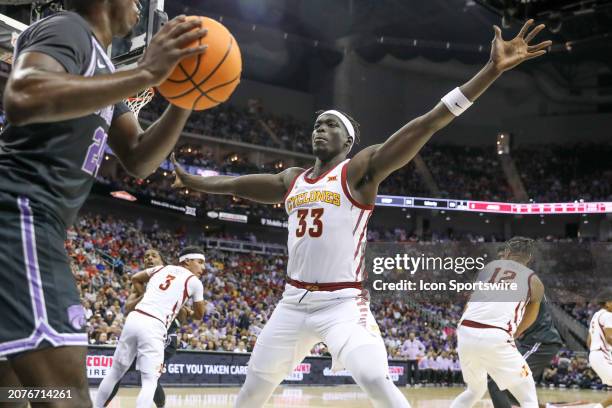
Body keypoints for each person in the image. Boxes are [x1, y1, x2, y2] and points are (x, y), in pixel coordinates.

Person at [171, 20, 551, 408]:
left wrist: (490, 71)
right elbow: (236, 184)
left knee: (373, 377)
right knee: (252, 390)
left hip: (341, 304)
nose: (320, 129)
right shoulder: (291, 179)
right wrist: (194, 182)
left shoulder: (359, 170)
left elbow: (430, 121)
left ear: (348, 140)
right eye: (318, 125)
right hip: (291, 302)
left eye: (330, 125)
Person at [0, 0, 208, 405]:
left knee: (10, 389)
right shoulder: (67, 29)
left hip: (28, 223)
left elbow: (138, 157)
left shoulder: (107, 69)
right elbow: (24, 94)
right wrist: (146, 72)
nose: (139, 7)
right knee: (65, 396)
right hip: (20, 217)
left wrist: (187, 98)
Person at [94, 246, 206, 408]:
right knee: (149, 381)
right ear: (187, 261)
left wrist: (148, 295)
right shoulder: (194, 282)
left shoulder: (161, 269)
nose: (203, 267)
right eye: (200, 262)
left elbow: (135, 278)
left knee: (115, 372)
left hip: (135, 318)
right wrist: (189, 312)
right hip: (154, 325)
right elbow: (199, 315)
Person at [451, 237, 545, 408]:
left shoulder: (488, 268)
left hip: (465, 331)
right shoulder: (534, 280)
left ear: (507, 253)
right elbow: (531, 315)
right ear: (530, 257)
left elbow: (469, 303)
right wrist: (515, 333)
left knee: (474, 391)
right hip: (496, 335)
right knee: (528, 398)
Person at [104, 248, 181, 408]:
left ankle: (160, 405)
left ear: (163, 263)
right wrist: (146, 296)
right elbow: (127, 308)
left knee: (149, 375)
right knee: (122, 372)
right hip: (143, 331)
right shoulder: (139, 284)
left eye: (154, 256)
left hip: (165, 336)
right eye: (146, 256)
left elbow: (184, 314)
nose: (149, 259)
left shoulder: (174, 282)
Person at [487, 298, 563, 408]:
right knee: (517, 385)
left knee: (497, 381)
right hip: (532, 343)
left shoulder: (523, 286)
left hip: (541, 343)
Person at [586, 289, 612, 408]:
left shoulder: (596, 315)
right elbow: (610, 338)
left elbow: (588, 342)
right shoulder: (608, 315)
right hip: (602, 355)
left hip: (595, 355)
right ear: (607, 303)